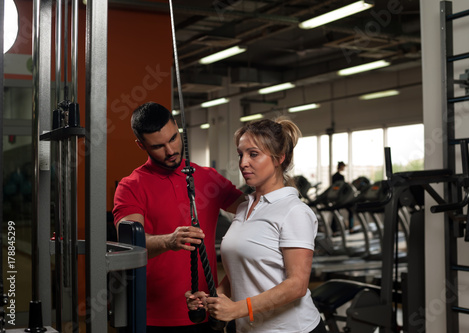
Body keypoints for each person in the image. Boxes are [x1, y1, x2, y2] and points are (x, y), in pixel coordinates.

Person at [112, 102, 245, 332]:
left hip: (205, 309)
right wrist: (169, 241)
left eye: (173, 138)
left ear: (177, 127)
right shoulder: (131, 186)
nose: (170, 150)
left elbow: (252, 209)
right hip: (153, 318)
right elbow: (131, 244)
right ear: (141, 145)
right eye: (158, 146)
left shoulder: (207, 178)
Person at [186, 117, 327, 333]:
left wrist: (237, 309)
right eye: (240, 154)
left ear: (279, 158)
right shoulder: (244, 207)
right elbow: (241, 270)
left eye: (253, 154)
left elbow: (297, 285)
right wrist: (213, 298)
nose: (243, 163)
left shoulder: (294, 211)